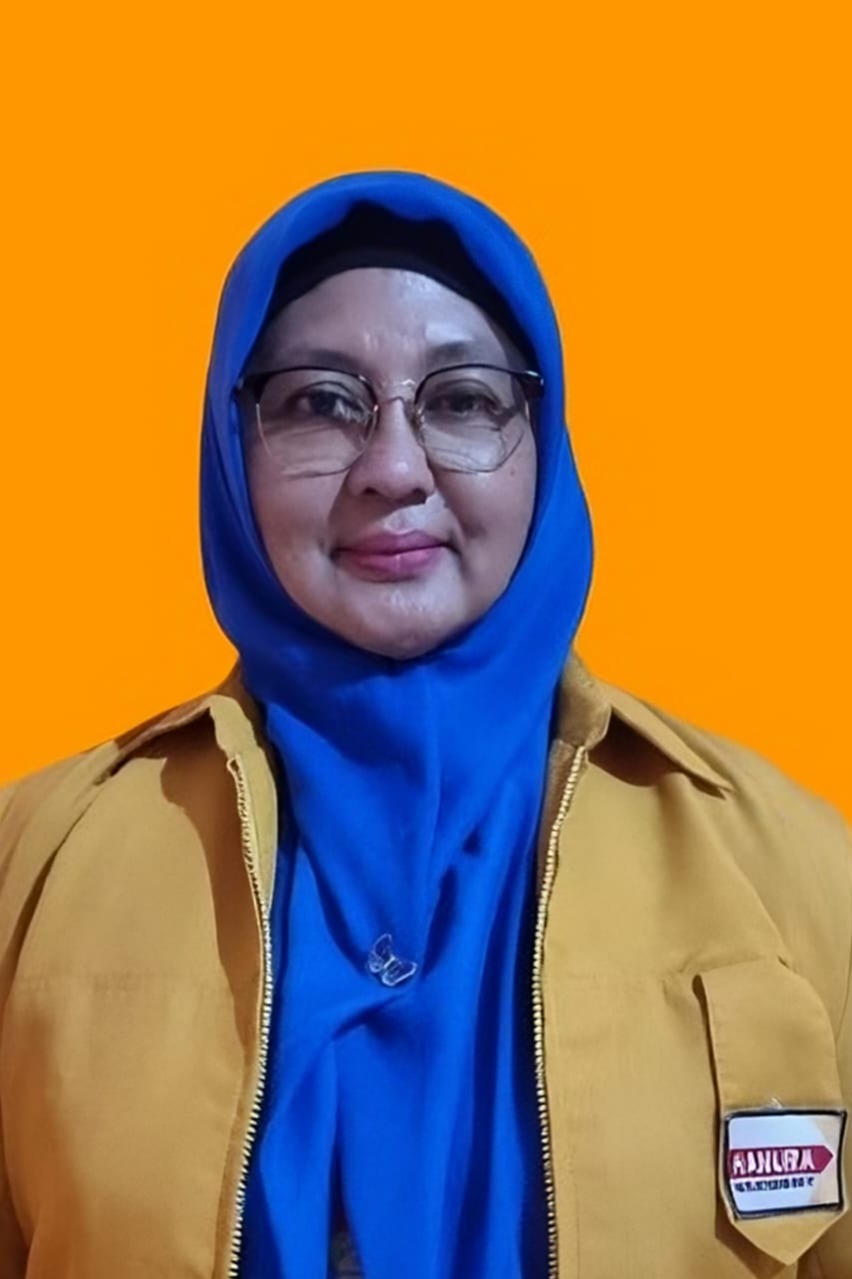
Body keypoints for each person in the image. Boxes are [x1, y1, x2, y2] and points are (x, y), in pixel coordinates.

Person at [0, 171, 849, 1279]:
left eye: (462, 401)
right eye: (319, 403)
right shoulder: (36, 864)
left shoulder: (790, 873)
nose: (394, 470)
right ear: (230, 445)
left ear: (545, 441)